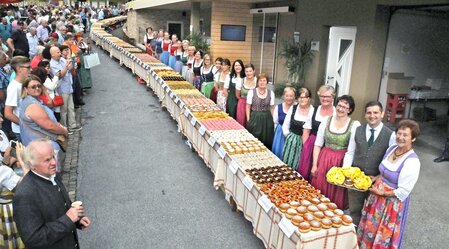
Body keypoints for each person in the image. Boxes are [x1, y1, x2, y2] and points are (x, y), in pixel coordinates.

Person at [13, 139, 91, 249]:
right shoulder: (24, 195)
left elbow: (62, 209)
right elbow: (34, 239)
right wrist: (68, 220)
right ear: (32, 165)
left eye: (53, 157)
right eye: (47, 160)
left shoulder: (53, 175)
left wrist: (77, 221)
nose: (54, 162)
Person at [357, 119, 420, 249]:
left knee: (382, 233)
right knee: (370, 228)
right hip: (376, 197)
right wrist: (376, 178)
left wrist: (383, 193)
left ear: (413, 139)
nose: (401, 137)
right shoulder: (392, 149)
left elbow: (403, 191)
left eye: (405, 135)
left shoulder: (412, 162)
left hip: (390, 203)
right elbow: (385, 171)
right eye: (399, 133)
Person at [343, 101, 396, 226]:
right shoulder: (357, 130)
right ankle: (354, 234)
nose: (372, 116)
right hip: (356, 179)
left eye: (376, 112)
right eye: (369, 113)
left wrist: (379, 177)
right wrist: (346, 172)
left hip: (376, 180)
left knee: (374, 211)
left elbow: (391, 161)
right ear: (365, 115)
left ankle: (368, 237)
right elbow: (350, 152)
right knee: (354, 209)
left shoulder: (390, 135)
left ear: (382, 114)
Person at [311, 95, 360, 210]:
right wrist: (314, 165)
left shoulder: (354, 125)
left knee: (336, 192)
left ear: (350, 110)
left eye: (345, 107)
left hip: (341, 161)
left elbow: (351, 151)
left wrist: (344, 171)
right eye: (339, 105)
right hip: (324, 159)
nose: (341, 109)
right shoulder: (326, 121)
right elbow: (318, 144)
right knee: (320, 191)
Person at [19, 74, 68, 154]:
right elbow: (49, 126)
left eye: (39, 86)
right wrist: (64, 131)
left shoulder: (33, 101)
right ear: (25, 89)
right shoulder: (32, 105)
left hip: (41, 146)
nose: (37, 88)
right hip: (42, 148)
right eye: (33, 87)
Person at [298, 85, 336, 181]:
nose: (324, 99)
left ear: (333, 97)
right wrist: (306, 146)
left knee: (321, 174)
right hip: (312, 144)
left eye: (327, 96)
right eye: (322, 96)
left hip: (327, 147)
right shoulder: (314, 110)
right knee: (307, 172)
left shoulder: (336, 113)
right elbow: (306, 129)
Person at [0, 139, 28, 249]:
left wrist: (6, 160)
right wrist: (22, 160)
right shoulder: (3, 172)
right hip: (10, 211)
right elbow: (27, 184)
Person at [49, 46, 81, 132]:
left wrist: (70, 61)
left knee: (71, 107)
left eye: (60, 52)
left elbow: (70, 68)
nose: (60, 54)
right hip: (61, 89)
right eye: (57, 52)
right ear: (52, 55)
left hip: (68, 85)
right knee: (64, 110)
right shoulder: (52, 65)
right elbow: (61, 75)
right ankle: (65, 128)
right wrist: (67, 66)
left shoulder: (62, 60)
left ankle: (72, 125)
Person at [281, 87, 313, 169]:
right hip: (291, 141)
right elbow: (286, 124)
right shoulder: (294, 108)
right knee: (287, 163)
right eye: (300, 97)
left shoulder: (313, 110)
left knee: (300, 165)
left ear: (309, 98)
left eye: (305, 97)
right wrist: (288, 136)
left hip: (305, 142)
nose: (302, 100)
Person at [5, 56, 31, 141]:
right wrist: (24, 124)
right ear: (19, 69)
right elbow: (8, 113)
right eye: (28, 67)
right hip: (22, 131)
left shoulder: (23, 83)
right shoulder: (14, 87)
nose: (31, 69)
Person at [246, 73, 275, 148]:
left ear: (267, 82)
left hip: (267, 118)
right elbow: (248, 106)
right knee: (254, 138)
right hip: (255, 117)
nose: (262, 82)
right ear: (257, 82)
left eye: (264, 80)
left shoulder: (271, 93)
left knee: (267, 139)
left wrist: (274, 121)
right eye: (260, 80)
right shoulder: (251, 92)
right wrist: (249, 119)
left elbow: (272, 108)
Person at [271, 87, 295, 159]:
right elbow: (275, 121)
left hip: (292, 134)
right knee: (279, 153)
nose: (289, 98)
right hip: (280, 133)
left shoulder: (297, 107)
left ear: (294, 97)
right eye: (287, 96)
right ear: (283, 96)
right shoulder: (278, 107)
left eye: (291, 96)